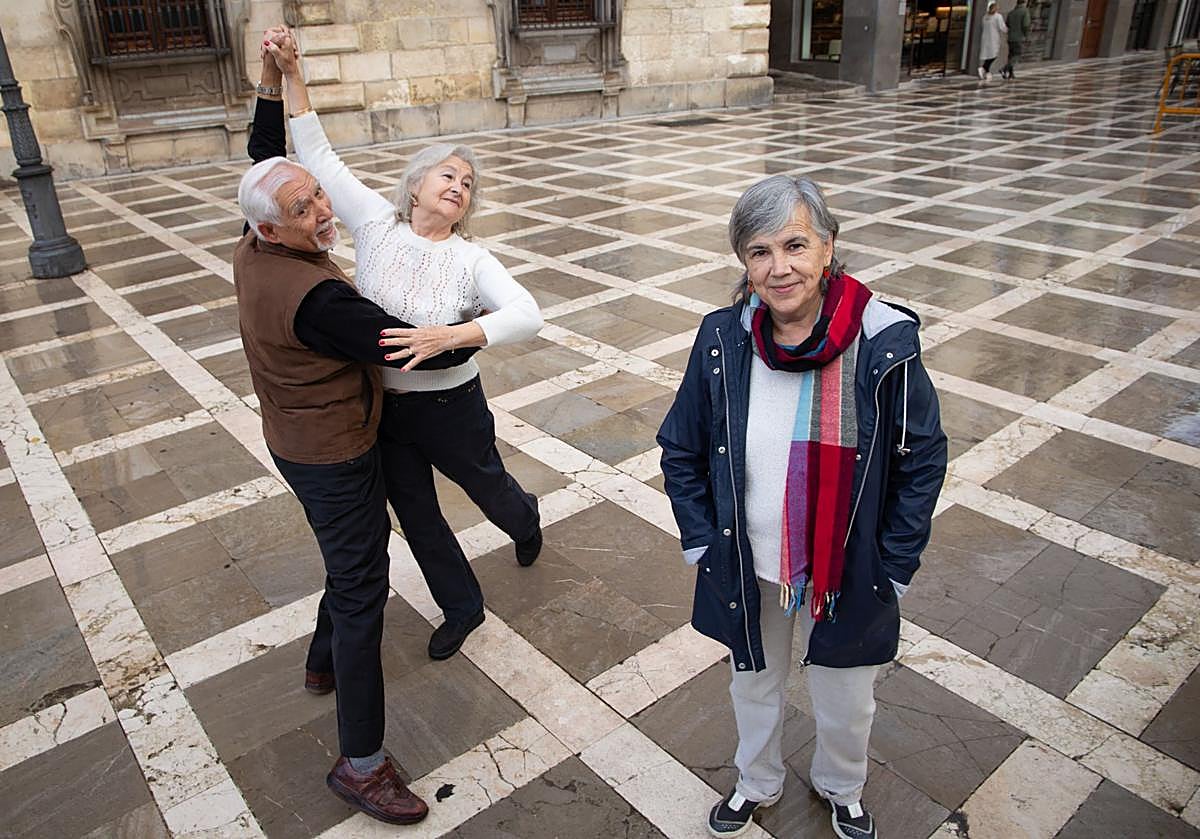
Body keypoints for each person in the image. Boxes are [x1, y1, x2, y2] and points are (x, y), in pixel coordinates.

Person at [657, 175, 946, 839]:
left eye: (795, 245)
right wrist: (702, 541)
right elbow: (681, 446)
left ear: (827, 247)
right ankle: (756, 781)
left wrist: (895, 563)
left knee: (846, 697)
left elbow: (922, 459)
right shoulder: (723, 337)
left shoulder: (882, 340)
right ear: (744, 262)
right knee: (753, 684)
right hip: (748, 560)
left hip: (849, 566)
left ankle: (842, 787)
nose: (779, 267)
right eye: (759, 252)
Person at [264, 32, 545, 663]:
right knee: (417, 516)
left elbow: (528, 314)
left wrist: (456, 335)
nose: (459, 186)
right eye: (449, 174)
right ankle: (462, 607)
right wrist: (292, 74)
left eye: (468, 184)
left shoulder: (471, 258)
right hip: (384, 410)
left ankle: (525, 519)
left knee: (490, 490)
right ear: (415, 186)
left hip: (451, 409)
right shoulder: (374, 223)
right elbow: (318, 153)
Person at [1001, 0, 1032, 79]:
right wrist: (1027, 36)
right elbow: (1026, 25)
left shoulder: (1011, 12)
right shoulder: (1025, 11)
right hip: (1019, 37)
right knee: (1017, 55)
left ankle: (1011, 73)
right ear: (1024, 3)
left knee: (1011, 55)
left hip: (1010, 37)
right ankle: (1005, 68)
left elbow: (1007, 24)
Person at [978, 1, 1008, 81]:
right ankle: (983, 68)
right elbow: (1002, 27)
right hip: (993, 38)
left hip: (985, 37)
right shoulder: (998, 16)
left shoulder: (985, 17)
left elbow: (983, 26)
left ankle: (986, 72)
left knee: (988, 55)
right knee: (993, 55)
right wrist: (1008, 30)